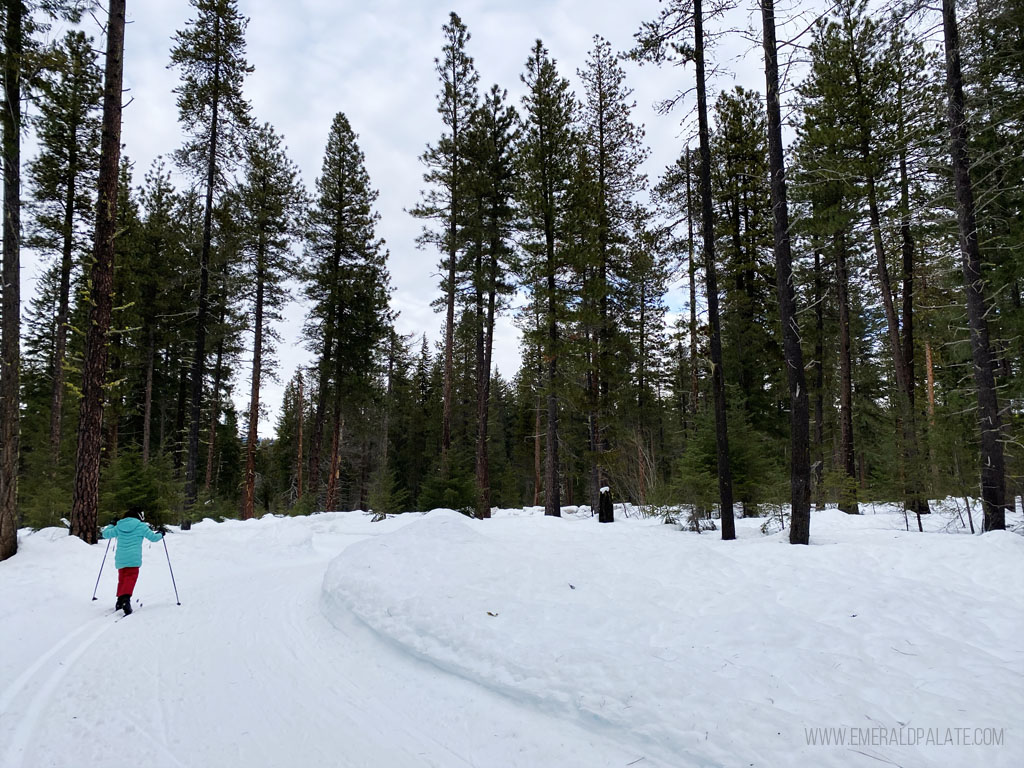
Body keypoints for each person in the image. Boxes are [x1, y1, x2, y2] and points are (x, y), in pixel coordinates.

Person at [100, 506, 164, 614]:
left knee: (123, 578)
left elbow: (105, 534)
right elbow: (153, 538)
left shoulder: (119, 526)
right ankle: (125, 600)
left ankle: (119, 601)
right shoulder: (141, 526)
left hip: (121, 558)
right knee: (130, 578)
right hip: (133, 558)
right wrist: (161, 534)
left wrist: (112, 523)